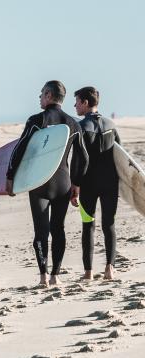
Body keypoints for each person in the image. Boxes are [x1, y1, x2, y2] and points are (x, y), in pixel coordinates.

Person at [6, 80, 88, 287]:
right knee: (58, 229)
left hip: (39, 184)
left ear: (49, 95)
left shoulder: (36, 120)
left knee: (41, 231)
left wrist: (10, 177)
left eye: (42, 94)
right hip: (63, 183)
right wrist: (76, 184)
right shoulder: (73, 124)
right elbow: (83, 157)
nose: (40, 97)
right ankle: (55, 276)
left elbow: (19, 150)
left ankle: (43, 277)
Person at [73, 86, 121, 280]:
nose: (75, 106)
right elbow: (121, 157)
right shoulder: (111, 124)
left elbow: (79, 159)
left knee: (88, 224)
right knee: (109, 224)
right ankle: (110, 268)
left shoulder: (82, 127)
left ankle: (89, 272)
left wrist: (75, 184)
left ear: (85, 103)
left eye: (77, 102)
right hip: (110, 183)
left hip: (88, 185)